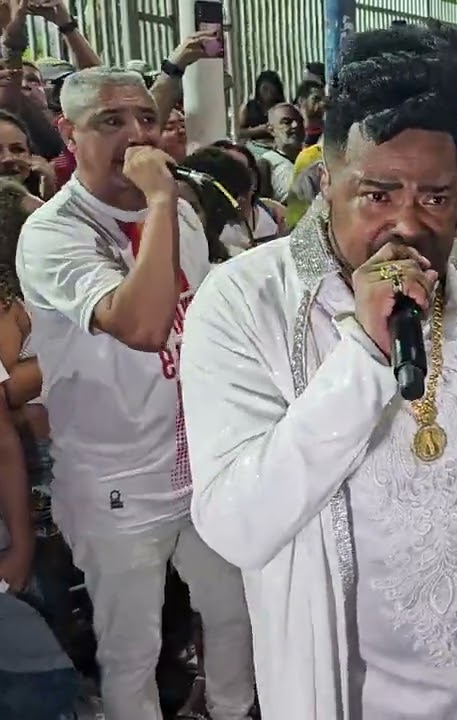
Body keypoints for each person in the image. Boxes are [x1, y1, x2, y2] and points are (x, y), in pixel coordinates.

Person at [178, 23, 457, 718]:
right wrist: (365, 356)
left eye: (436, 196)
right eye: (378, 194)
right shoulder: (246, 300)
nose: (409, 223)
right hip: (340, 687)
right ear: (326, 182)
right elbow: (236, 523)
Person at [16, 66, 256, 720]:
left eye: (145, 118)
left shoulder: (178, 210)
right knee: (134, 649)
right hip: (114, 477)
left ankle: (232, 710)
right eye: (111, 121)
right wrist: (156, 203)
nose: (136, 134)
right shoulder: (55, 232)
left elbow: (197, 326)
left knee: (235, 612)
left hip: (199, 462)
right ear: (68, 132)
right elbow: (144, 325)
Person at [237, 70, 285, 141]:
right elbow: (238, 132)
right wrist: (256, 131)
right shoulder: (248, 107)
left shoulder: (282, 107)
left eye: (271, 89)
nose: (268, 93)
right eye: (265, 89)